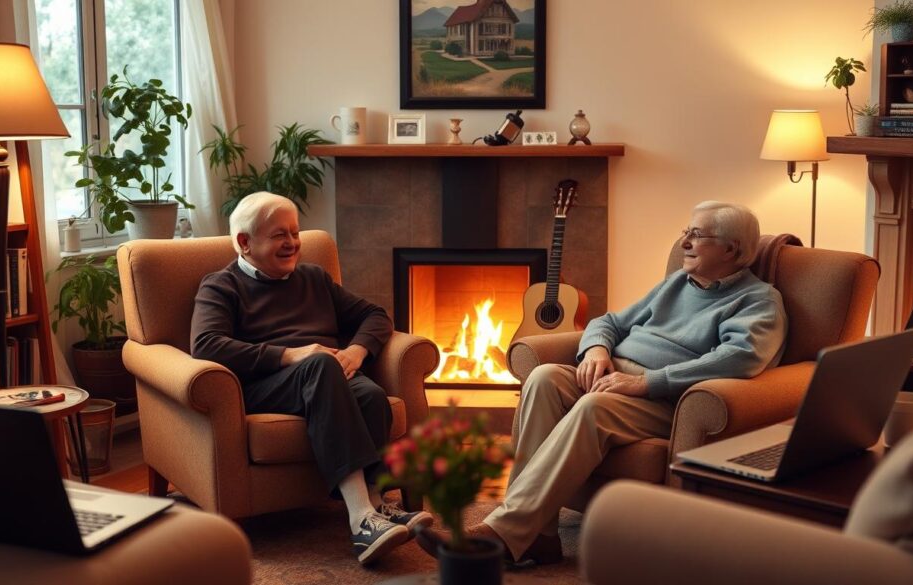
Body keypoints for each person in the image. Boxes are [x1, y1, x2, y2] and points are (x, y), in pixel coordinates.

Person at [418, 200, 789, 566]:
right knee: (544, 378)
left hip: (667, 398)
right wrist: (595, 350)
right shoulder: (678, 282)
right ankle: (540, 535)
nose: (685, 242)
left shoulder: (758, 300)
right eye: (685, 232)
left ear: (730, 248)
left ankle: (502, 533)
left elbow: (741, 358)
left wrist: (645, 382)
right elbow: (608, 322)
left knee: (594, 407)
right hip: (614, 375)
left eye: (697, 234)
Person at [190, 191, 432, 565]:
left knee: (368, 392)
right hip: (264, 386)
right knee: (320, 365)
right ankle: (359, 517)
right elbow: (206, 345)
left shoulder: (314, 278)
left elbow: (376, 315)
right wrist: (291, 354)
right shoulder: (221, 285)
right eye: (279, 235)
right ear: (244, 242)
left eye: (295, 232)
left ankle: (378, 504)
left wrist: (357, 352)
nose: (292, 243)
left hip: (325, 377)